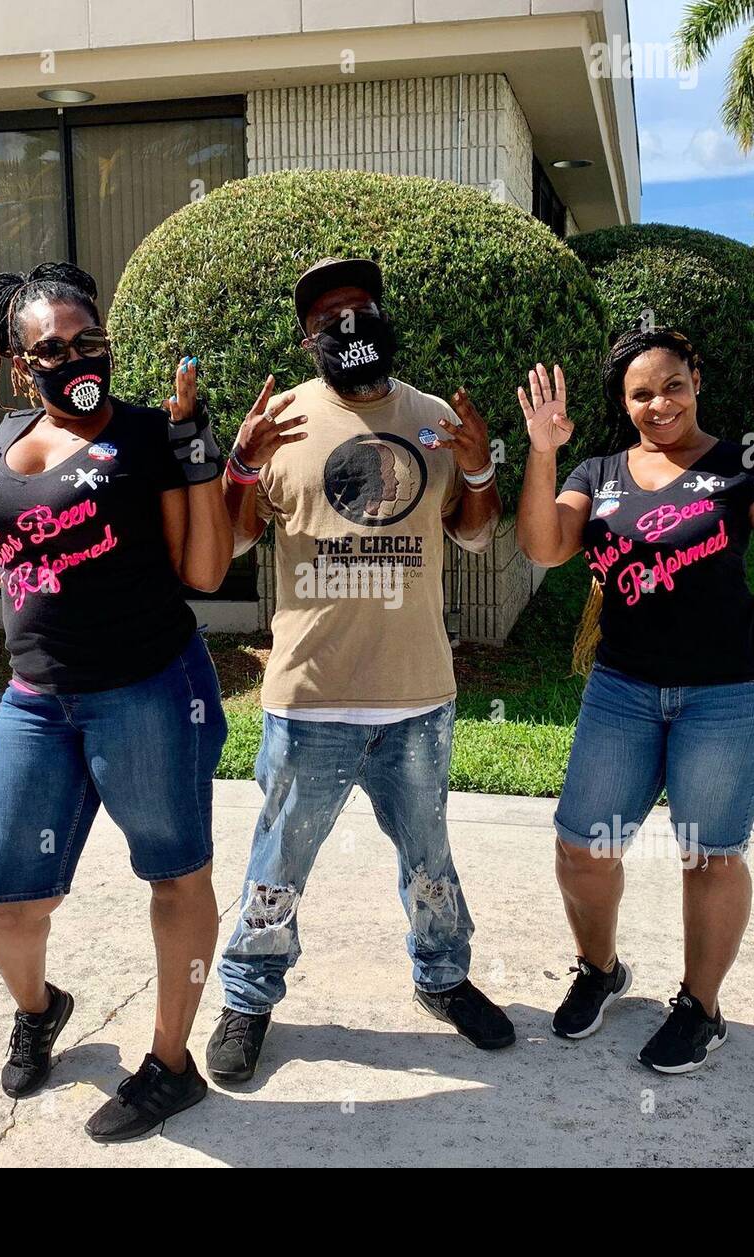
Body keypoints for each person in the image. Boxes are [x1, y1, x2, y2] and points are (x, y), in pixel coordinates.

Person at [0, 261, 232, 1140]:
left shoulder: (144, 434)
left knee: (176, 874)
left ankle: (171, 1063)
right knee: (5, 905)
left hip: (147, 691)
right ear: (21, 364)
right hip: (35, 700)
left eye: (89, 340)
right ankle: (41, 1005)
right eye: (51, 347)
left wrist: (197, 444)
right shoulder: (6, 438)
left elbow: (203, 570)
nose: (75, 357)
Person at [515, 328, 754, 1073]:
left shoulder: (741, 462)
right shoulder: (600, 470)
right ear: (623, 402)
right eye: (641, 392)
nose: (659, 403)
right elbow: (545, 546)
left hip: (732, 695)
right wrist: (544, 451)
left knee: (709, 856)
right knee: (583, 848)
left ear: (697, 382)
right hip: (623, 688)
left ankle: (700, 1007)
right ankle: (601, 969)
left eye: (673, 385)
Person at [205, 256, 515, 1084]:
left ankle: (444, 977)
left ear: (382, 314)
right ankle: (248, 993)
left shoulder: (433, 418)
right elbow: (236, 539)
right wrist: (239, 464)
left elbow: (476, 535)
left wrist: (480, 469)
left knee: (429, 857)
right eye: (327, 316)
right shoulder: (283, 422)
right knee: (277, 861)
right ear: (309, 338)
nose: (347, 324)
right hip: (311, 697)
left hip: (416, 696)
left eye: (360, 307)